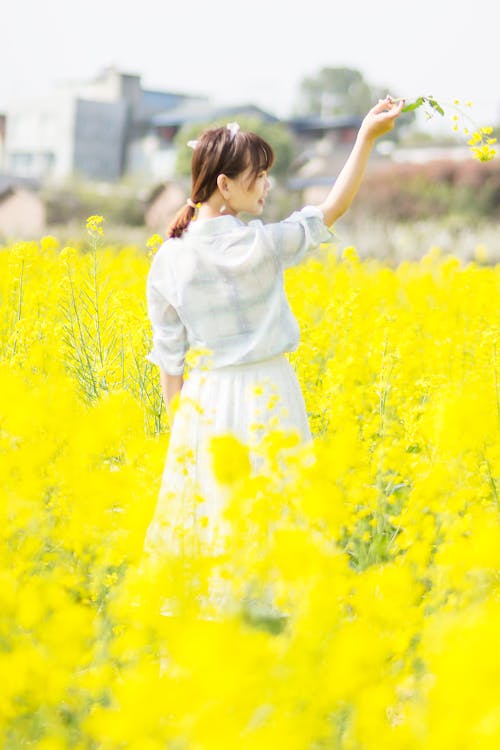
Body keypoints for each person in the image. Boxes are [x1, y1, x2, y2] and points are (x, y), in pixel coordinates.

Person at [142, 96, 404, 617]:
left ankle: (221, 637)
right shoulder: (264, 244)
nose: (267, 186)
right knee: (276, 511)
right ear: (225, 185)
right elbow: (332, 210)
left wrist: (181, 434)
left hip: (205, 400)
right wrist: (365, 139)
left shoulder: (169, 258)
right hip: (270, 393)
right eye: (259, 176)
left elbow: (171, 360)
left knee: (212, 516)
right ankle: (272, 633)